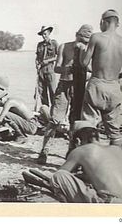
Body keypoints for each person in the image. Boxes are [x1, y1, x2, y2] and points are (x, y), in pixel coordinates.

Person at [37, 25, 93, 164]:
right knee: (55, 119)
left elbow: (93, 71)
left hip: (79, 87)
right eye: (82, 38)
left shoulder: (90, 49)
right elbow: (56, 68)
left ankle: (71, 149)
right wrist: (67, 69)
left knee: (75, 120)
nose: (83, 42)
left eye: (87, 40)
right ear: (76, 34)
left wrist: (83, 71)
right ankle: (44, 150)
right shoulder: (64, 46)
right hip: (64, 85)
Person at [79, 9, 122, 146]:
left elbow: (84, 63)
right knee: (114, 133)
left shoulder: (96, 37)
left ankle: (88, 163)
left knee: (88, 126)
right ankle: (116, 162)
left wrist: (82, 51)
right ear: (117, 23)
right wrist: (118, 76)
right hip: (114, 87)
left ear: (104, 22)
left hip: (96, 85)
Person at [49, 120, 122, 203]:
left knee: (58, 177)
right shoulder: (117, 149)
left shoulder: (81, 150)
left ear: (78, 141)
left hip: (114, 202)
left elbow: (62, 172)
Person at [35, 25, 58, 107]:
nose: (43, 36)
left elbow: (58, 57)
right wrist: (37, 64)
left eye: (45, 34)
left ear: (49, 33)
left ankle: (54, 112)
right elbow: (37, 57)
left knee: (53, 91)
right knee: (42, 92)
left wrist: (48, 60)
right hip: (41, 71)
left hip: (50, 70)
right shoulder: (39, 45)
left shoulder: (54, 43)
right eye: (42, 34)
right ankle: (46, 111)